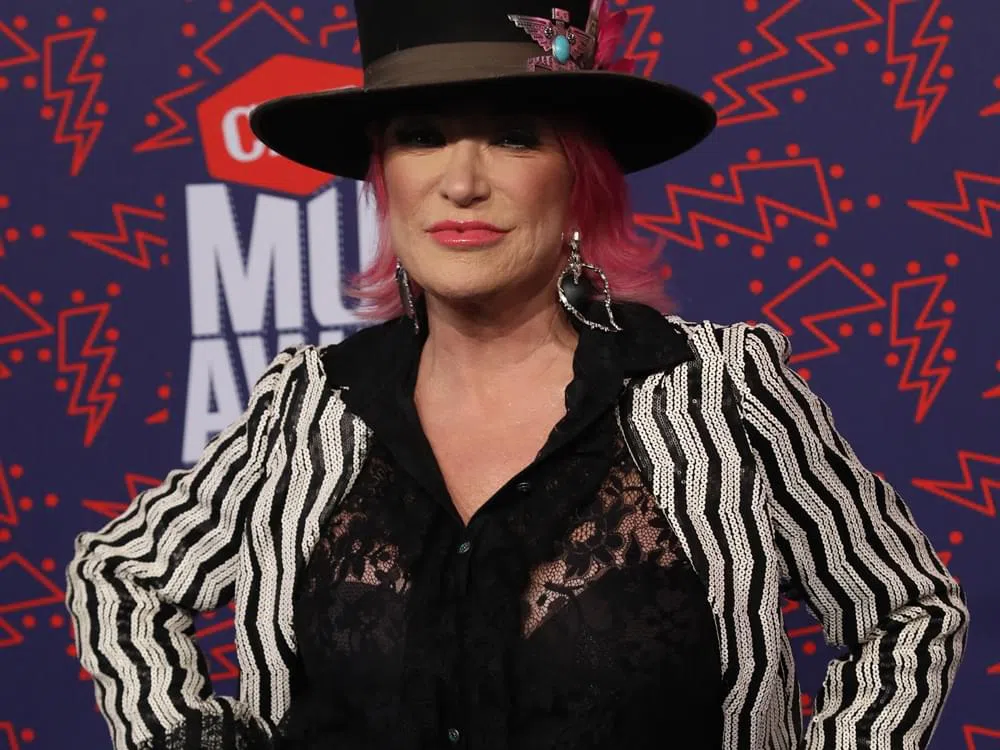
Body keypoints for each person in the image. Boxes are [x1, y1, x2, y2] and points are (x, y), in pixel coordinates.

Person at [64, 0, 970, 748]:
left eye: (513, 137)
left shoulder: (718, 389)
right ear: (385, 176)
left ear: (579, 178)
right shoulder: (308, 405)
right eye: (422, 136)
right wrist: (178, 734)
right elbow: (120, 577)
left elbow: (908, 613)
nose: (462, 182)